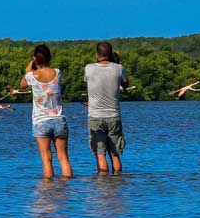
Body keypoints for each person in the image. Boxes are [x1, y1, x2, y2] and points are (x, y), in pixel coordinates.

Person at [14, 44, 73, 179]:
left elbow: (21, 85)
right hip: (59, 120)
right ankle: (68, 190)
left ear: (35, 59)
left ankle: (48, 190)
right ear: (49, 57)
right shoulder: (57, 72)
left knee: (46, 159)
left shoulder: (31, 76)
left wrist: (28, 68)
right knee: (63, 158)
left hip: (41, 121)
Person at [84, 40, 129, 174]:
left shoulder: (89, 68)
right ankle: (117, 182)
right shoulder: (118, 68)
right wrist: (116, 61)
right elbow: (126, 84)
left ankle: (103, 184)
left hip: (95, 118)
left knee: (100, 153)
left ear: (97, 55)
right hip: (114, 116)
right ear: (111, 54)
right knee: (115, 154)